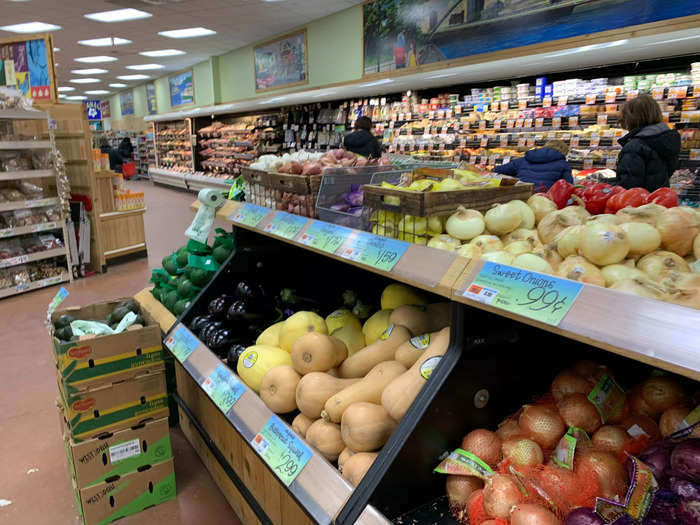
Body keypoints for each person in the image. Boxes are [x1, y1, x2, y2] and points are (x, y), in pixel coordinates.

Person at [615, 94, 680, 192]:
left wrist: (605, 184)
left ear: (630, 118)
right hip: (659, 199)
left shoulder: (634, 147)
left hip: (638, 203)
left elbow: (628, 186)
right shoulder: (666, 138)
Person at [494, 140, 572, 191]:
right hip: (544, 199)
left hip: (520, 194)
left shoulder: (524, 159)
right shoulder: (564, 164)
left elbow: (498, 170)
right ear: (563, 152)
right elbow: (569, 186)